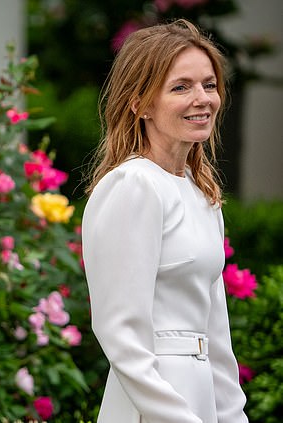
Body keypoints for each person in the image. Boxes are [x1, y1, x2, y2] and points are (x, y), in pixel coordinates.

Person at [81, 19, 249, 423]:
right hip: (151, 406)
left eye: (209, 85)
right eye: (181, 87)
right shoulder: (132, 185)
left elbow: (216, 337)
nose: (203, 99)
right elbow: (120, 334)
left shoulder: (201, 191)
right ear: (139, 103)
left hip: (201, 398)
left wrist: (233, 417)